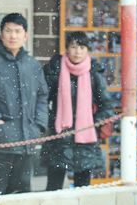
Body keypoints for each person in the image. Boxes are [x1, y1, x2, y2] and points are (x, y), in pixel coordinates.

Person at [0, 13, 48, 195]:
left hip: (27, 141)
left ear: (25, 35)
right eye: (8, 31)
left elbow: (42, 96)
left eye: (17, 31)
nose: (13, 36)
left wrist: (38, 125)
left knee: (22, 193)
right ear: (1, 34)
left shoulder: (32, 65)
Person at [41, 31, 116, 190]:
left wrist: (93, 124)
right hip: (60, 136)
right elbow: (41, 100)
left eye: (82, 47)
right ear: (67, 49)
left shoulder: (94, 73)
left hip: (86, 137)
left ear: (87, 49)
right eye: (73, 47)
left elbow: (107, 105)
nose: (77, 52)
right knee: (54, 186)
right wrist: (52, 121)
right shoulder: (55, 70)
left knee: (83, 187)